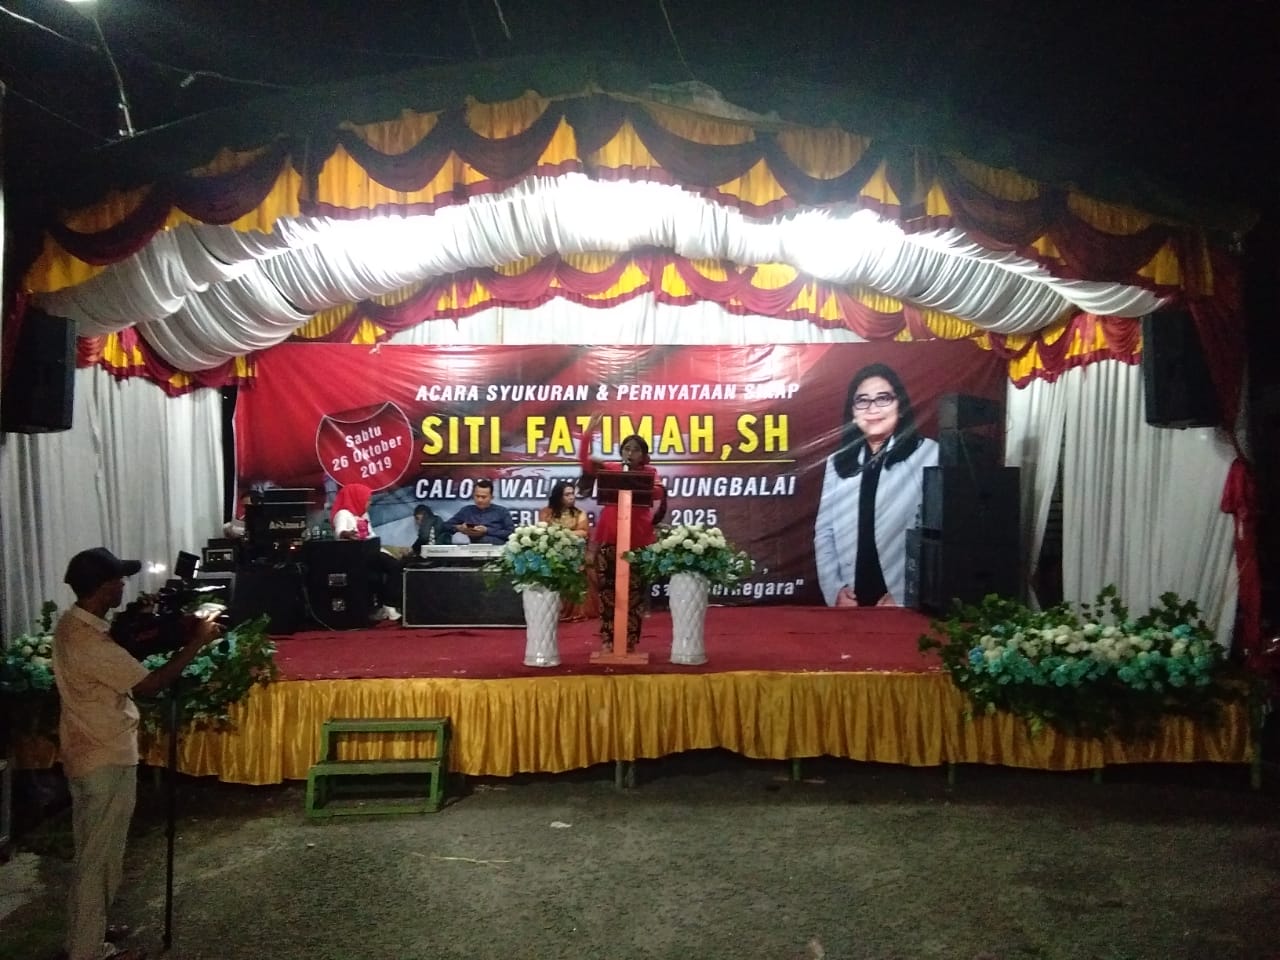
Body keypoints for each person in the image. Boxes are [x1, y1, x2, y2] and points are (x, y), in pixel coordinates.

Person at [53, 547, 222, 960]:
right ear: (103, 587)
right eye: (119, 581)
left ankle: (88, 930)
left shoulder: (73, 625)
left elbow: (126, 650)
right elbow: (150, 684)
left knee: (93, 852)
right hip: (105, 755)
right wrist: (196, 643)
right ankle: (88, 949)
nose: (123, 586)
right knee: (99, 858)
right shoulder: (90, 643)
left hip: (85, 750)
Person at [814, 362, 938, 608]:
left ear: (900, 407)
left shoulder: (928, 454)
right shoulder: (838, 462)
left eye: (883, 398)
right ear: (853, 412)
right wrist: (835, 590)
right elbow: (824, 532)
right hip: (851, 600)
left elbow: (936, 537)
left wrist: (906, 595)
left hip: (901, 601)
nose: (872, 408)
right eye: (862, 401)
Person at [579, 415, 668, 652]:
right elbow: (586, 462)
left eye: (636, 450)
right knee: (608, 592)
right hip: (610, 537)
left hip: (638, 540)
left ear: (644, 455)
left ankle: (629, 640)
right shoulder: (612, 469)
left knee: (634, 593)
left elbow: (658, 492)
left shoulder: (650, 472)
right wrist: (587, 434)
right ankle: (608, 638)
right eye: (627, 449)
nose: (630, 453)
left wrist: (639, 483)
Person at [330, 483, 402, 621]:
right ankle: (388, 605)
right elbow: (339, 532)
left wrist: (386, 552)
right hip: (353, 557)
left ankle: (387, 604)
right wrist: (346, 534)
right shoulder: (343, 514)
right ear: (357, 498)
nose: (369, 503)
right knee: (393, 566)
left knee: (396, 565)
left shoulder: (363, 515)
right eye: (367, 500)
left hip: (369, 554)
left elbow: (371, 537)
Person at [537, 479, 592, 621]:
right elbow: (544, 531)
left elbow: (583, 532)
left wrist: (563, 535)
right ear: (558, 496)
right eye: (567, 494)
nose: (571, 497)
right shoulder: (546, 512)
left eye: (572, 494)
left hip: (573, 552)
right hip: (552, 552)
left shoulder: (579, 513)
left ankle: (575, 610)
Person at [444, 479, 514, 545]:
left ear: (491, 497)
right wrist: (459, 528)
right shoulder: (466, 510)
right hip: (469, 548)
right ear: (473, 496)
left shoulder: (502, 511)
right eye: (477, 496)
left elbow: (511, 534)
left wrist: (487, 530)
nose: (480, 500)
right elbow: (446, 525)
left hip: (494, 548)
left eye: (483, 497)